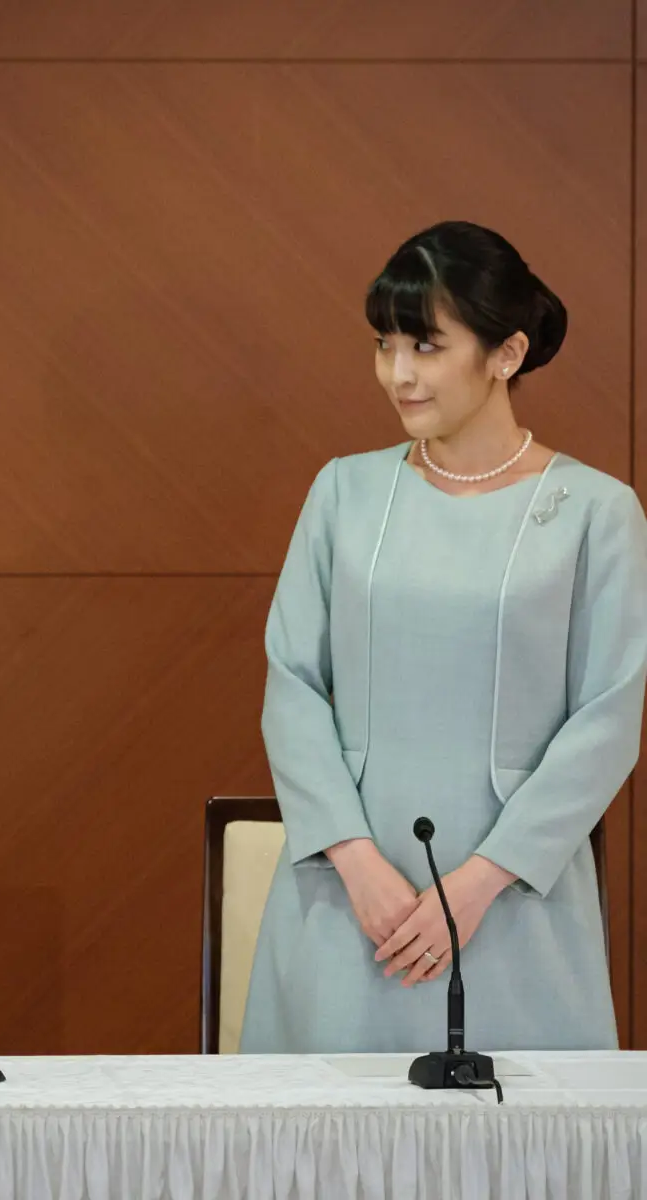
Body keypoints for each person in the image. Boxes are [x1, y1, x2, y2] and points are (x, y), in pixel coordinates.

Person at [240, 220, 647, 1053]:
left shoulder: (598, 513)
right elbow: (292, 684)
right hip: (347, 902)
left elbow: (607, 720)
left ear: (506, 353)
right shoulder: (343, 493)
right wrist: (358, 865)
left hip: (513, 907)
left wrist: (475, 886)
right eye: (384, 344)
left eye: (426, 345)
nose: (399, 373)